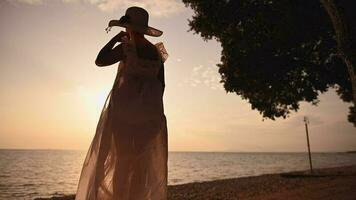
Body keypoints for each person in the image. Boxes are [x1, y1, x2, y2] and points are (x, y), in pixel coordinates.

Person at [75, 6, 168, 200]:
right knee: (141, 163)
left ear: (128, 27)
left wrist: (114, 39)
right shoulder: (156, 53)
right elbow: (162, 85)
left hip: (123, 113)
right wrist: (151, 108)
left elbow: (99, 60)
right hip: (150, 115)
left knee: (122, 161)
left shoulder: (127, 48)